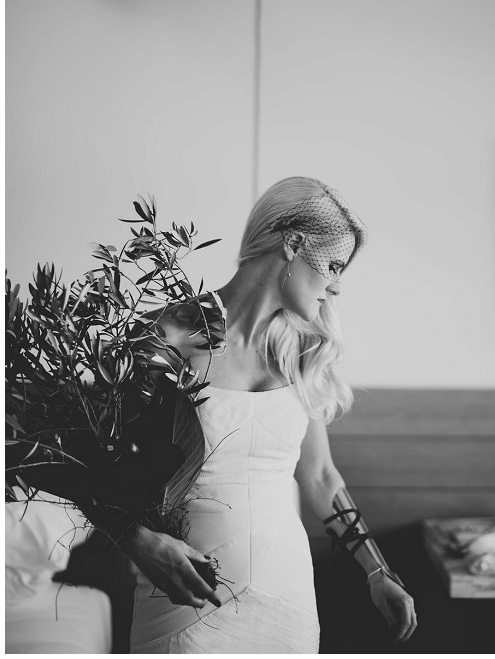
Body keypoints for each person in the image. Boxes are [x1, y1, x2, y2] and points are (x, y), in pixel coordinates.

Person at [119, 177, 416, 652]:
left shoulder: (302, 350)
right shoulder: (166, 335)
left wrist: (377, 570)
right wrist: (137, 541)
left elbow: (319, 476)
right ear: (294, 243)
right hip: (185, 593)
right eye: (334, 266)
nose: (336, 287)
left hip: (289, 596)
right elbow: (107, 469)